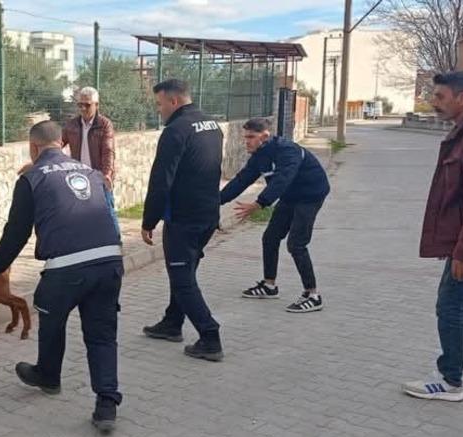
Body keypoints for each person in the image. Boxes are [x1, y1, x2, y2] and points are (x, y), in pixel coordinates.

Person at [0, 120, 124, 433]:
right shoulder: (93, 174)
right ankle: (106, 403)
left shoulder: (32, 178)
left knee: (50, 316)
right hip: (109, 261)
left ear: (33, 147)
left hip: (66, 268)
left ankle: (48, 376)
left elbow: (16, 232)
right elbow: (110, 215)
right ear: (63, 143)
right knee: (102, 334)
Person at [404, 71, 463, 402]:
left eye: (440, 97)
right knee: (461, 300)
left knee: (449, 303)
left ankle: (450, 381)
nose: (434, 103)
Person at [140, 79, 225, 362]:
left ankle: (210, 336)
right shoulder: (212, 125)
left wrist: (149, 220)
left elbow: (161, 180)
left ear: (173, 101)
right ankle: (172, 322)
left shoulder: (175, 130)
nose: (159, 110)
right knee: (184, 273)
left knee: (183, 278)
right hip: (208, 214)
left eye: (159, 103)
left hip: (184, 219)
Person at [219, 117, 330, 313]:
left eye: (251, 137)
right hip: (290, 197)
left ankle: (313, 295)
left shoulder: (288, 151)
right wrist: (214, 202)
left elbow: (282, 179)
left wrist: (259, 203)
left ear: (265, 137)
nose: (247, 141)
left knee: (296, 244)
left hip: (310, 196)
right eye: (245, 137)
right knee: (270, 238)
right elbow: (241, 180)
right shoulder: (259, 156)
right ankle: (269, 286)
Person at [61, 87, 119, 234]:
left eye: (87, 105)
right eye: (80, 104)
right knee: (80, 213)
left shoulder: (105, 124)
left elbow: (108, 151)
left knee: (107, 211)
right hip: (78, 178)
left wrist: (107, 174)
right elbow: (58, 144)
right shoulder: (72, 125)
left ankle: (116, 243)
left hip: (99, 177)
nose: (83, 108)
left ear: (96, 105)